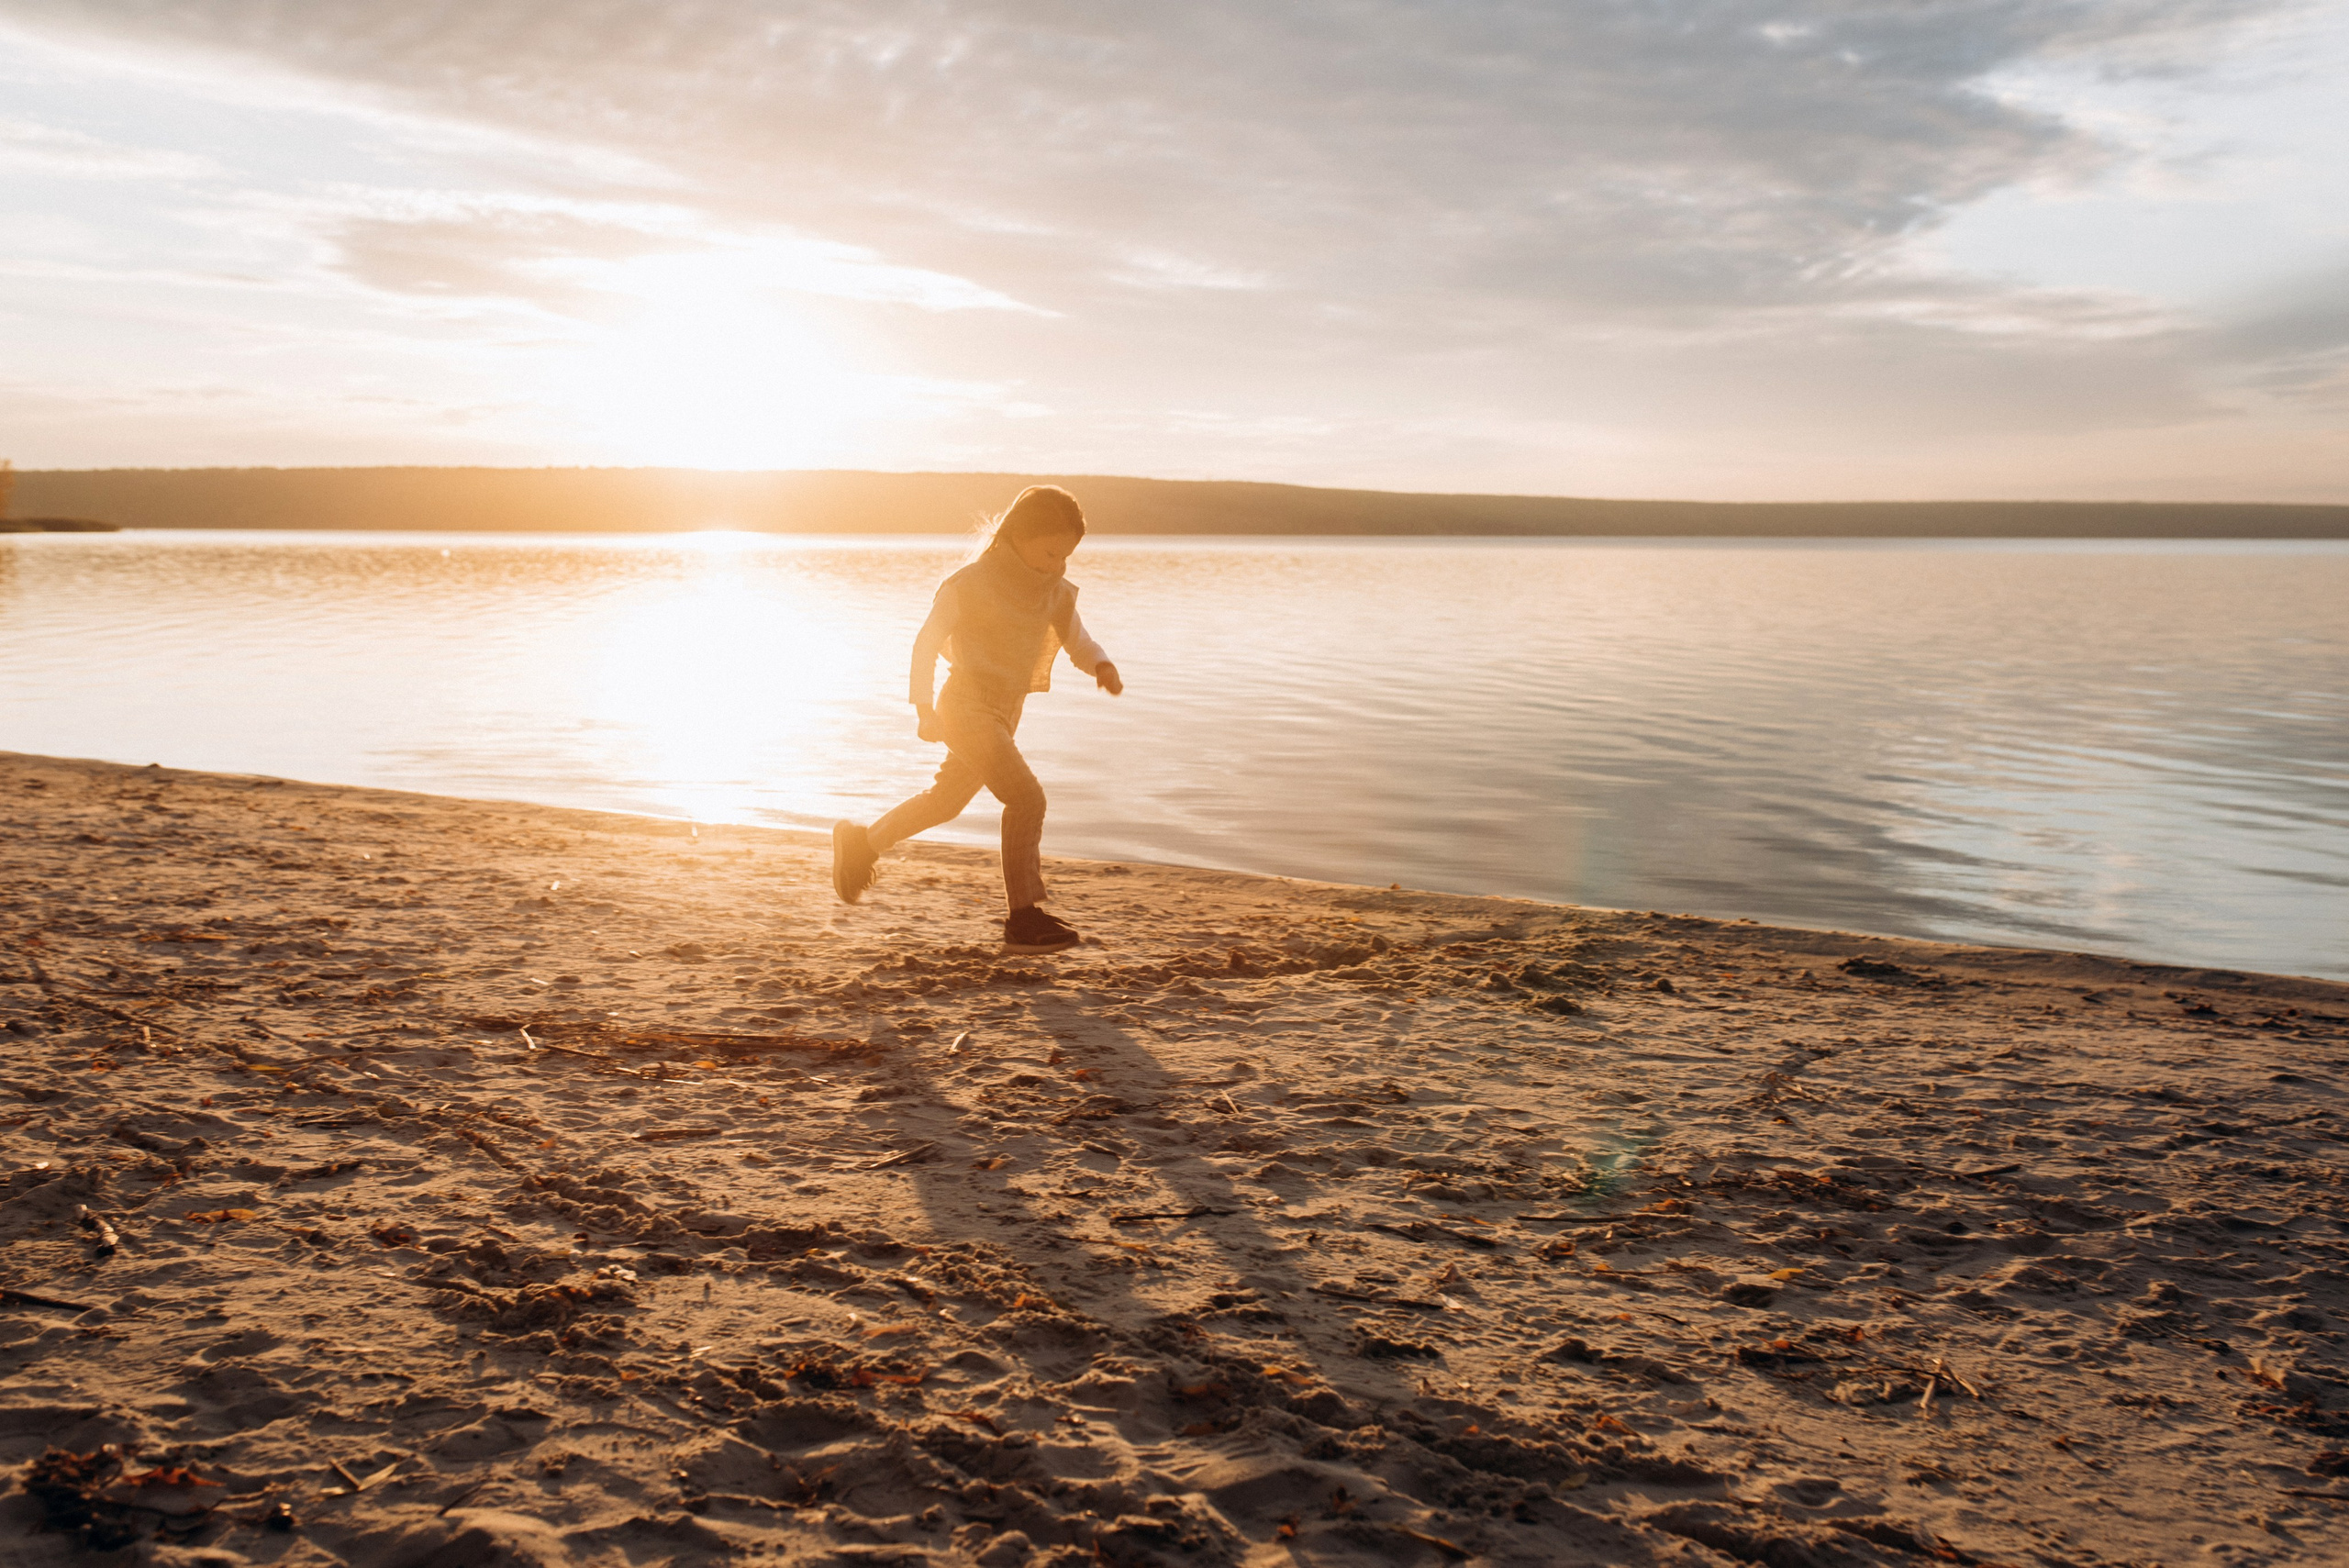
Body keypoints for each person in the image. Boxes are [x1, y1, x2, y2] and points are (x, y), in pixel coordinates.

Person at [830, 484, 1123, 952]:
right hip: (965, 706)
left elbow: (1078, 639)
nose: (1055, 565)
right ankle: (1023, 917)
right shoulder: (969, 584)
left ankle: (863, 843)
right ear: (1018, 535)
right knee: (1027, 799)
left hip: (1007, 711)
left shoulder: (1054, 592)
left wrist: (1101, 665)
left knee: (945, 803)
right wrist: (923, 708)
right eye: (1049, 552)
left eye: (1065, 557)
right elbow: (925, 644)